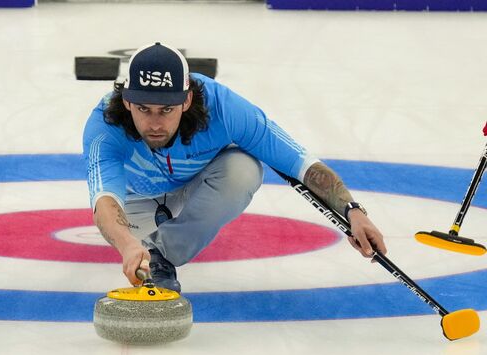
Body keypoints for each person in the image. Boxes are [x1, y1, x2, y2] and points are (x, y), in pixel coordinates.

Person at [82, 42, 386, 293]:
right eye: (144, 109)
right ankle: (150, 248)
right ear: (126, 102)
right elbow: (105, 201)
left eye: (167, 109)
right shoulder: (104, 126)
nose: (156, 123)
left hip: (196, 190)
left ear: (187, 101)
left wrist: (353, 211)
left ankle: (165, 253)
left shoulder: (223, 107)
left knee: (244, 168)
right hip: (136, 204)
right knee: (136, 251)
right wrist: (126, 245)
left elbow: (302, 164)